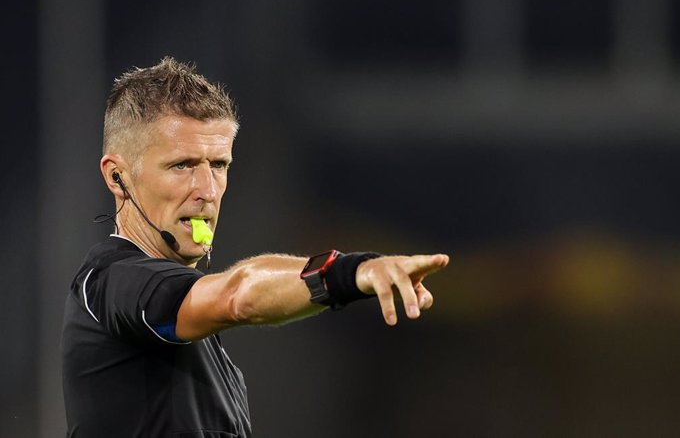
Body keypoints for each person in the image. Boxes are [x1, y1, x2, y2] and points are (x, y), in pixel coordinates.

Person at [61, 57, 450, 437]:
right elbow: (239, 295)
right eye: (182, 165)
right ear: (117, 176)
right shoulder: (111, 282)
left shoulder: (202, 354)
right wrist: (351, 272)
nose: (208, 191)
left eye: (218, 164)